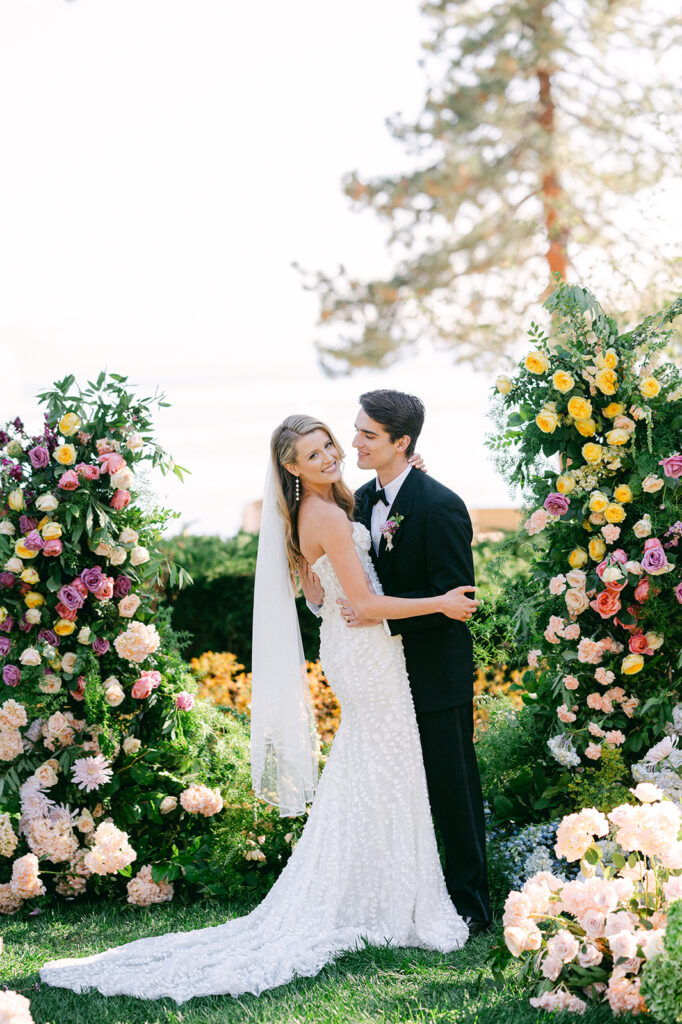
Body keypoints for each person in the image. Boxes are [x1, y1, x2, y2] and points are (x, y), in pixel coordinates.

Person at [39, 413, 475, 1003]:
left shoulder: (316, 511)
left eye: (329, 445)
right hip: (370, 652)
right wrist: (442, 602)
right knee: (385, 763)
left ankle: (376, 888)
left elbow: (319, 597)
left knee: (372, 766)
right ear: (290, 468)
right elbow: (367, 604)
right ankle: (389, 895)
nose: (328, 456)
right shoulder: (323, 514)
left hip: (354, 650)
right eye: (312, 453)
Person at [302, 390, 491, 932]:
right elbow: (340, 582)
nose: (353, 443)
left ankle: (471, 905)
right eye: (356, 430)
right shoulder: (355, 502)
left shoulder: (441, 505)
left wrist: (381, 618)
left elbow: (457, 602)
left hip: (433, 670)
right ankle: (396, 896)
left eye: (368, 435)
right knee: (393, 788)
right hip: (379, 674)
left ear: (401, 442)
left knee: (452, 787)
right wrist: (322, 599)